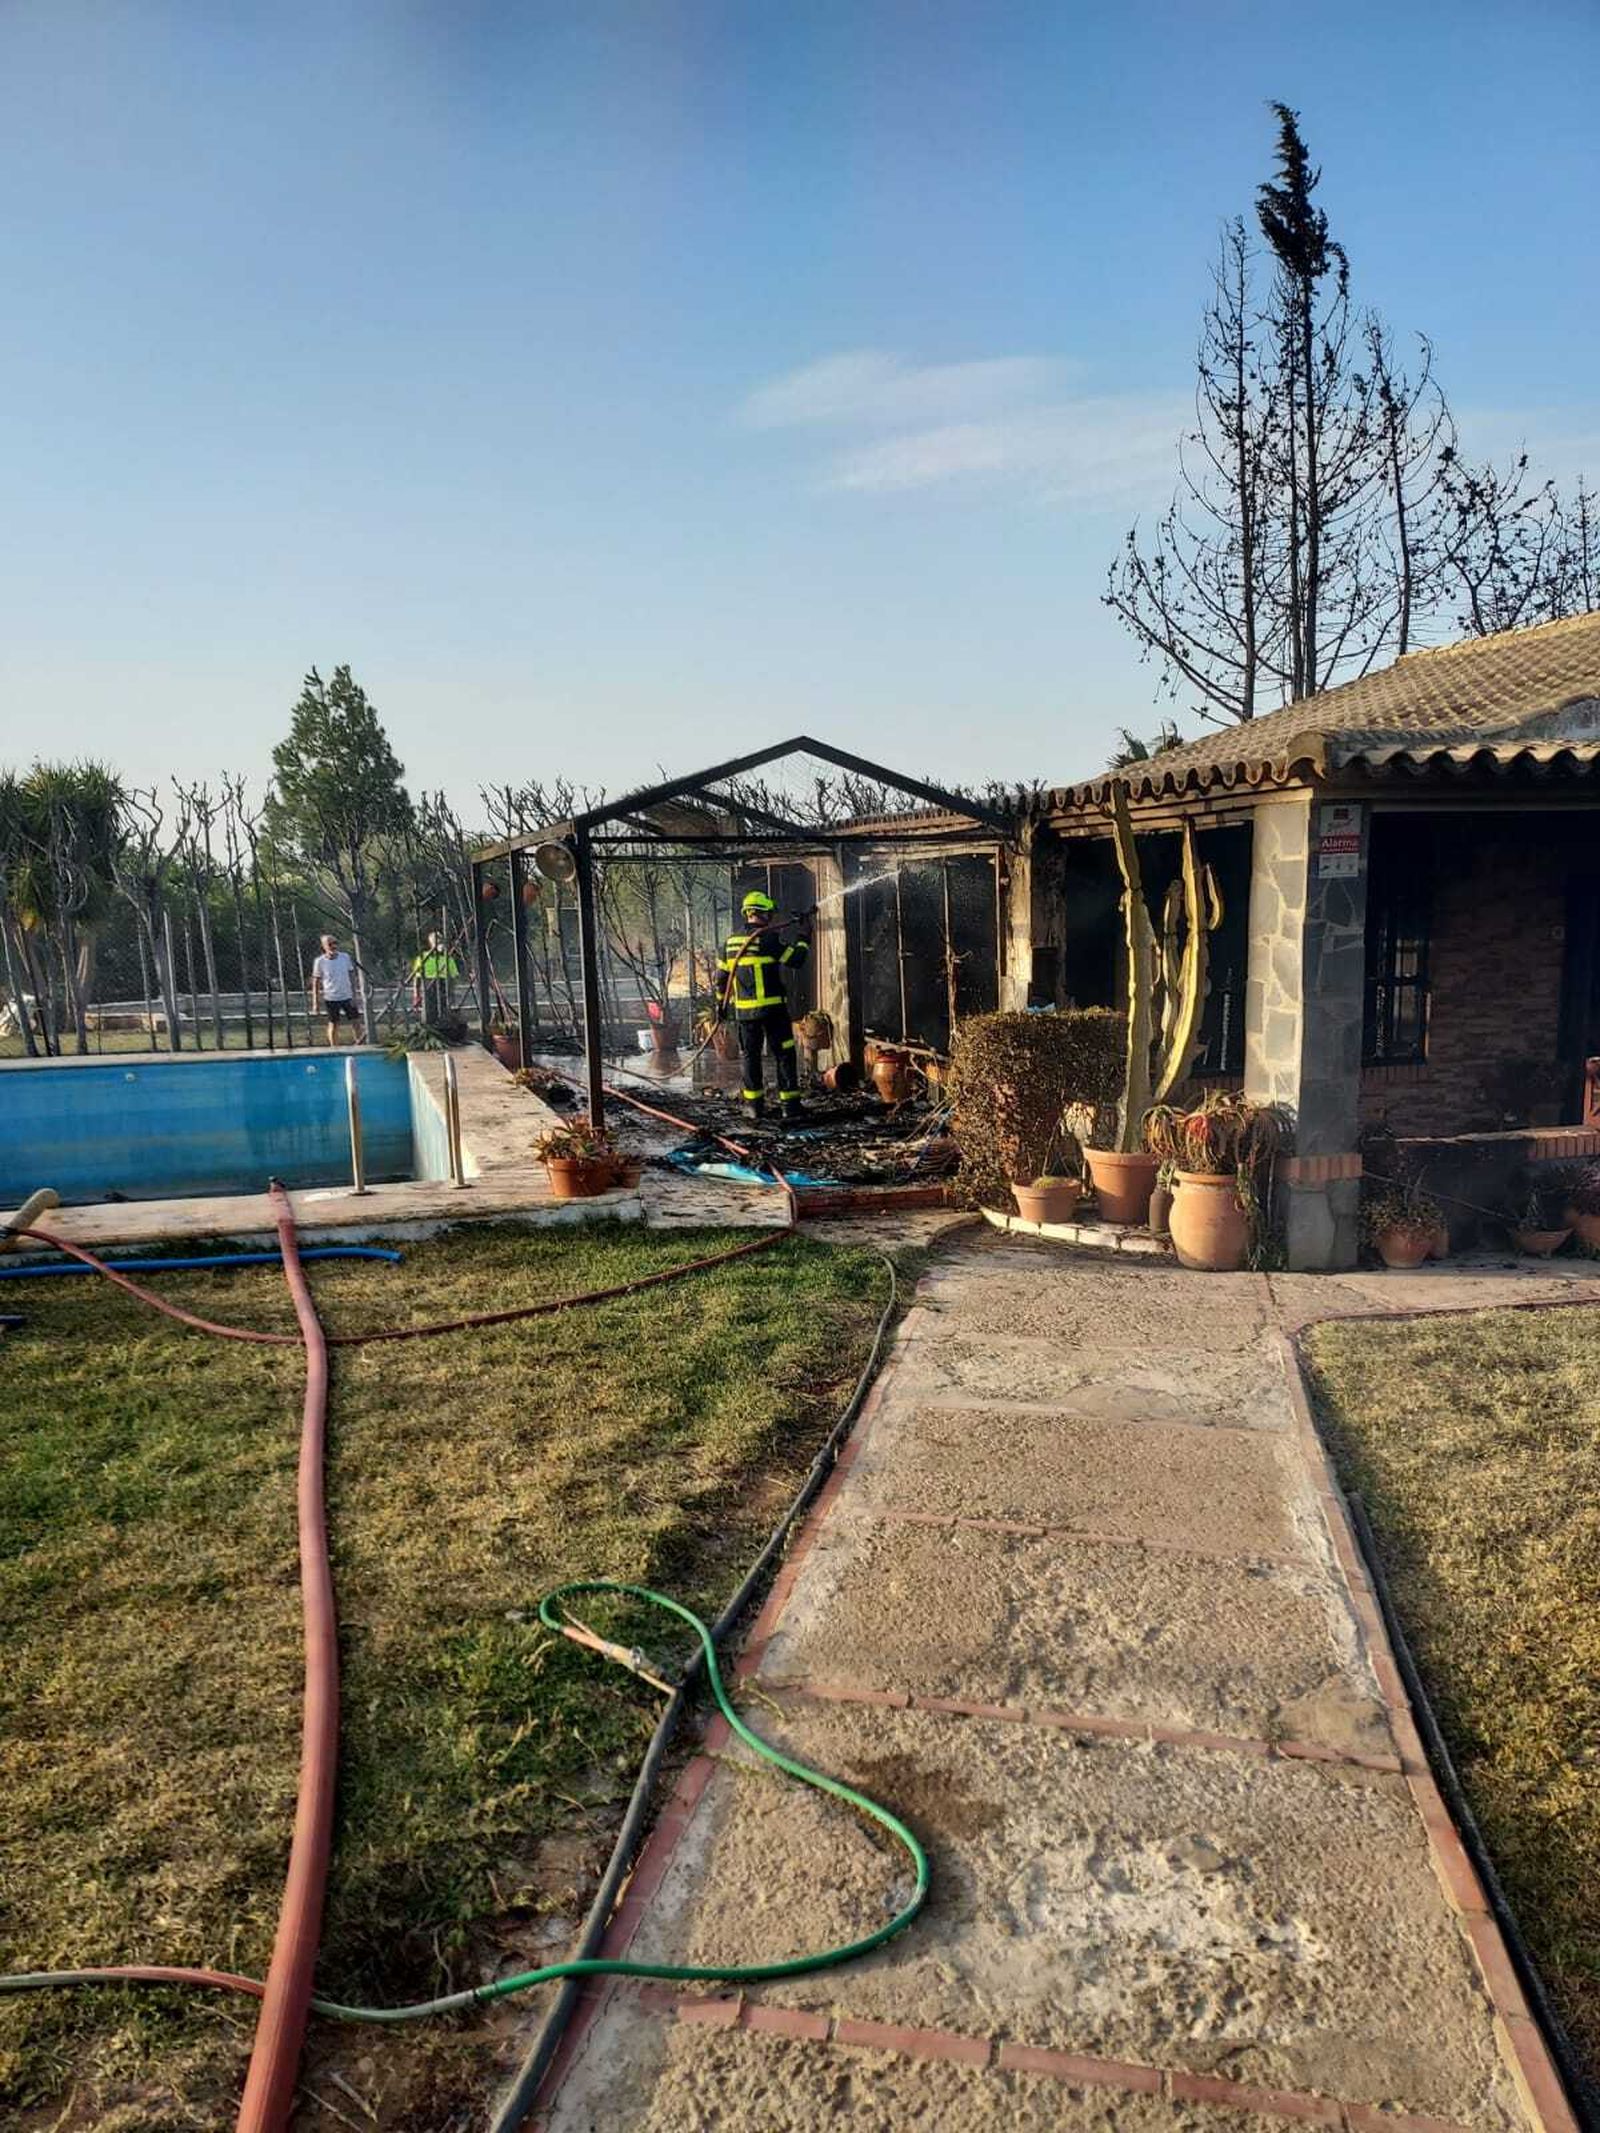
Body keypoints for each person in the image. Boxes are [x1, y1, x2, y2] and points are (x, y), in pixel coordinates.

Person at [718, 890, 813, 1123]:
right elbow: (797, 960)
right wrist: (804, 935)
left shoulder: (730, 943)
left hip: (745, 1013)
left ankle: (754, 1107)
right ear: (763, 913)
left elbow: (722, 977)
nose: (771, 917)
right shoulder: (769, 939)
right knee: (784, 1055)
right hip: (773, 1011)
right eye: (769, 913)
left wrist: (721, 1004)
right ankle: (790, 1106)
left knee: (750, 1057)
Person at [310, 933, 361, 1045]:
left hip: (347, 996)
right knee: (334, 1024)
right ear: (324, 946)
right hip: (331, 997)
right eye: (330, 944)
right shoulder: (319, 961)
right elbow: (316, 983)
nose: (333, 946)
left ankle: (359, 1045)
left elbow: (352, 975)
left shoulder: (345, 957)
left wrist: (354, 994)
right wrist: (316, 1003)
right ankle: (334, 1048)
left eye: (335, 943)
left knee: (356, 1022)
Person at [410, 929, 461, 1028]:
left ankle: (443, 1030)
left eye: (440, 941)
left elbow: (453, 978)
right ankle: (429, 1030)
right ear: (431, 943)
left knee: (443, 1012)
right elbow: (417, 979)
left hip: (443, 986)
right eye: (436, 941)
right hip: (428, 987)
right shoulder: (422, 958)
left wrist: (451, 992)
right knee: (429, 1013)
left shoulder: (448, 958)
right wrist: (416, 995)